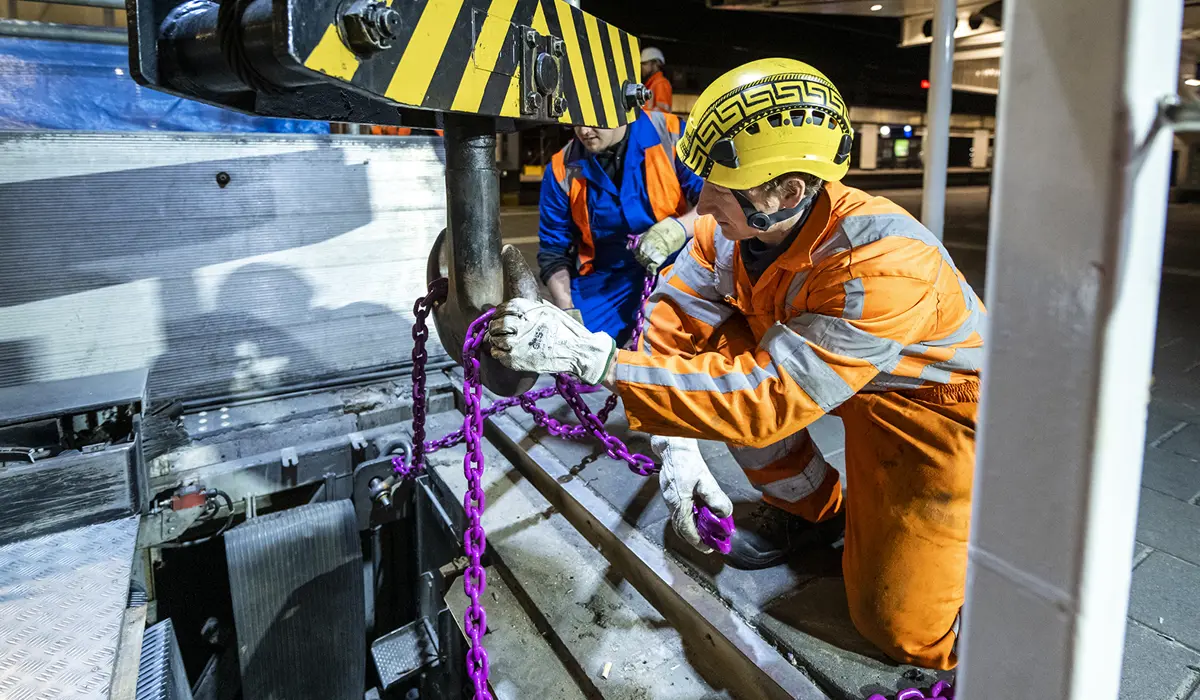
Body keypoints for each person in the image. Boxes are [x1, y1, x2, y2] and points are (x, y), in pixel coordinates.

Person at [487, 58, 984, 671]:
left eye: (719, 185)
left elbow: (762, 399)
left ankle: (980, 578)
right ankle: (815, 514)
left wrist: (596, 359)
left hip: (930, 410)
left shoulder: (881, 263)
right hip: (826, 377)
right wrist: (678, 446)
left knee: (901, 629)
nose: (701, 202)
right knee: (717, 358)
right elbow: (674, 327)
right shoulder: (733, 229)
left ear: (787, 193)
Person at [537, 108, 704, 346]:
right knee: (576, 346)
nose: (583, 131)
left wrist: (677, 229)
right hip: (609, 277)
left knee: (691, 338)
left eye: (593, 120)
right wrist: (567, 310)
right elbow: (553, 251)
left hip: (677, 263)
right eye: (576, 122)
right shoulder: (561, 169)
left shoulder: (672, 134)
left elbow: (715, 202)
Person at [640, 47, 672, 113]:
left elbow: (662, 113)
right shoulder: (651, 85)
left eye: (645, 64)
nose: (642, 67)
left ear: (655, 63)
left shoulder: (661, 83)